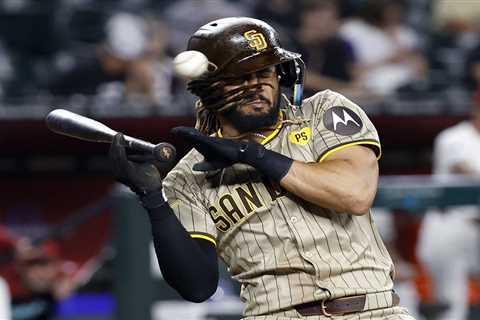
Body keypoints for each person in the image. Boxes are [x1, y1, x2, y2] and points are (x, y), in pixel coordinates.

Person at [109, 17, 415, 319]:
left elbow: (355, 194)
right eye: (240, 76)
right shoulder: (190, 176)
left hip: (375, 311)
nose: (257, 85)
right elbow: (197, 287)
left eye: (265, 71)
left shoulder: (322, 112)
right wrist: (152, 198)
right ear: (208, 87)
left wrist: (251, 154)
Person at [417, 90, 480, 320]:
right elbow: (464, 169)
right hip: (451, 224)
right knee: (451, 306)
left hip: (475, 230)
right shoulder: (453, 137)